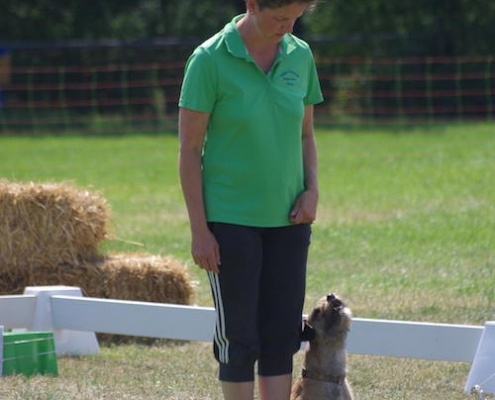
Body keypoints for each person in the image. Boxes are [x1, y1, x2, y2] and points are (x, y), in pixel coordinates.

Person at [178, 0, 323, 399]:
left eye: (295, 18)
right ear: (252, 5)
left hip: (290, 221)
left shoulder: (301, 54)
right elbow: (189, 151)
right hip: (230, 221)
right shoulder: (208, 59)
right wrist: (199, 230)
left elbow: (306, 134)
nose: (288, 27)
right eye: (279, 18)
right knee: (239, 337)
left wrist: (312, 190)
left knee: (282, 332)